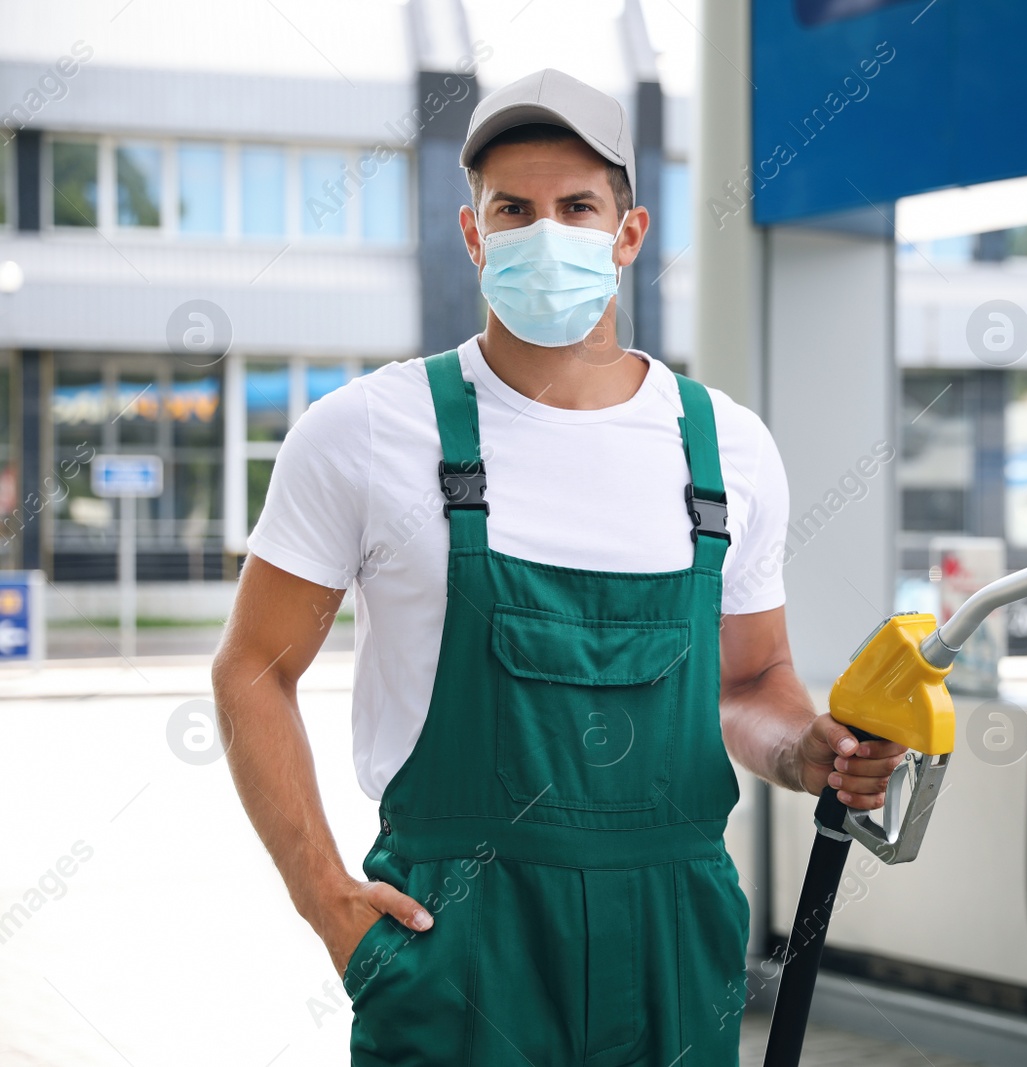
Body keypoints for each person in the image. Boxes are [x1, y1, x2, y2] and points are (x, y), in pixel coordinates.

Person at [211, 68, 905, 1065]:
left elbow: (750, 681)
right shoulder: (365, 431)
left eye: (576, 206)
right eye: (513, 208)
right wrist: (331, 906)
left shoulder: (726, 449)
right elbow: (251, 668)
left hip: (675, 941)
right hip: (455, 947)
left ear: (628, 234)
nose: (545, 232)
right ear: (472, 233)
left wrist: (814, 753)